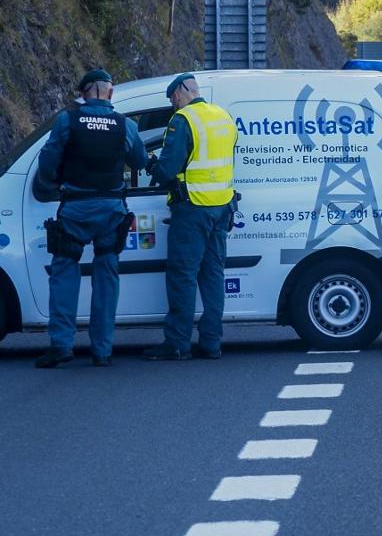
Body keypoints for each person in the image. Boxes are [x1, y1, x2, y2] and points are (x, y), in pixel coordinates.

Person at [34, 70, 146, 368]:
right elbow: (140, 161)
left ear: (84, 93)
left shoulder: (68, 120)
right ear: (110, 93)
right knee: (107, 277)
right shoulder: (125, 125)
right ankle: (102, 350)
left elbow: (48, 160)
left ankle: (61, 346)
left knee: (63, 274)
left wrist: (51, 184)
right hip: (111, 211)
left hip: (76, 209)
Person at [143, 74, 238, 361]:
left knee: (183, 275)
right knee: (213, 275)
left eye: (173, 96)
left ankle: (177, 343)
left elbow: (168, 169)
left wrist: (151, 166)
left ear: (185, 91)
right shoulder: (223, 116)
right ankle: (211, 342)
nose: (173, 102)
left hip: (193, 208)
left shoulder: (183, 120)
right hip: (222, 206)